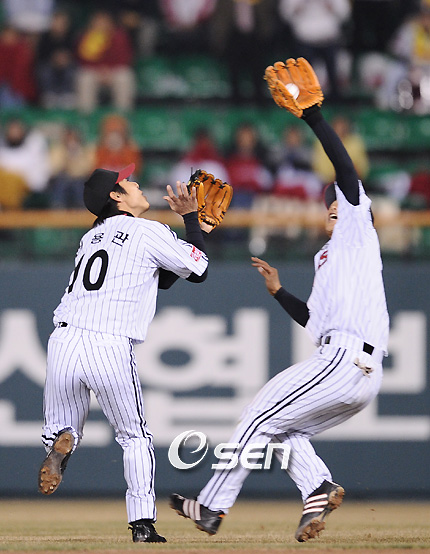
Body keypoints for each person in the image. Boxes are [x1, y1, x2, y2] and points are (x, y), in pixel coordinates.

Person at [170, 59, 389, 542]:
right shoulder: (328, 257)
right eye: (330, 201)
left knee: (259, 413)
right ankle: (317, 487)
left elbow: (346, 169)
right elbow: (314, 320)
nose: (333, 204)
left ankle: (212, 506)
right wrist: (278, 292)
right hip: (351, 364)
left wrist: (314, 117)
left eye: (339, 199)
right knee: (283, 430)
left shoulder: (358, 229)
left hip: (346, 360)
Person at [38, 163, 209, 543]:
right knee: (134, 437)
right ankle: (142, 525)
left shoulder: (91, 237)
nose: (135, 182)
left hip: (64, 341)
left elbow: (161, 278)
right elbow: (198, 271)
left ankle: (61, 441)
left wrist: (196, 233)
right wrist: (192, 222)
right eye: (127, 181)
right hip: (108, 343)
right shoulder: (147, 230)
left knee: (63, 429)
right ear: (116, 196)